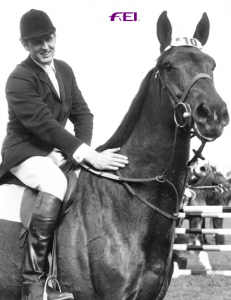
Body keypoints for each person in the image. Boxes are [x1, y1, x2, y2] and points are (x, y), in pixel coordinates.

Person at [0, 9, 129, 300]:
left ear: (55, 36)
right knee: (56, 183)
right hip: (23, 152)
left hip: (57, 152)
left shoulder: (64, 70)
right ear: (25, 45)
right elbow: (44, 124)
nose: (44, 46)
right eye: (36, 42)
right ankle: (35, 285)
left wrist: (73, 156)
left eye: (48, 38)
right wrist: (89, 155)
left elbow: (84, 115)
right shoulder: (18, 79)